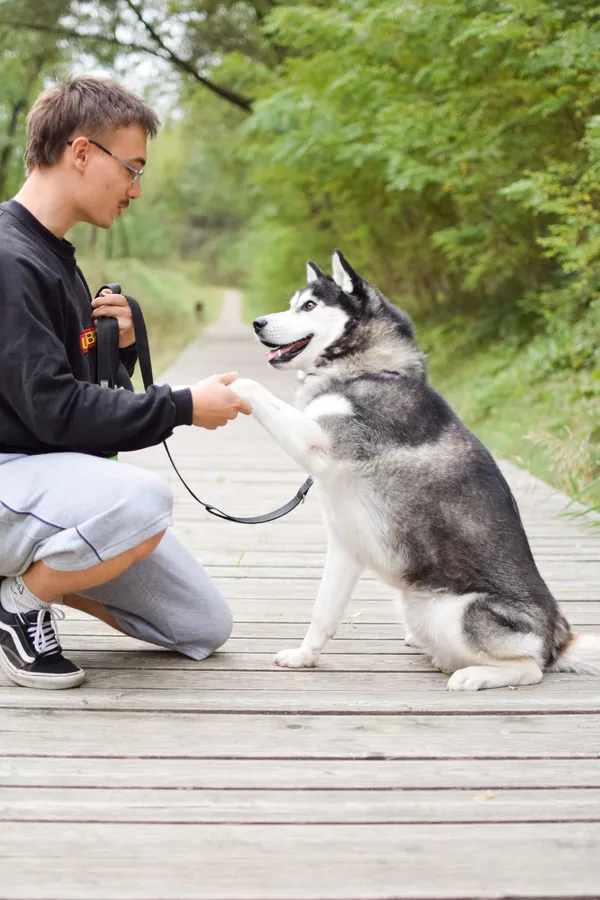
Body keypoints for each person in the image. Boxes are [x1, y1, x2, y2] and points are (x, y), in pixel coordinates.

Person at [0, 74, 251, 690]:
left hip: (37, 484)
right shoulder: (8, 260)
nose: (136, 189)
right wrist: (185, 405)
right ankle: (22, 603)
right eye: (132, 169)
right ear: (81, 153)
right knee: (142, 500)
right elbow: (57, 413)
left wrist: (117, 356)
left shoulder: (56, 255)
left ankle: (27, 577)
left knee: (200, 624)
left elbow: (58, 403)